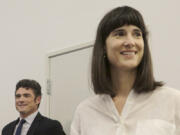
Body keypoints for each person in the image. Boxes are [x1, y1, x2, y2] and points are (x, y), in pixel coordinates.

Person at [70, 6, 180, 135]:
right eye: (120, 34)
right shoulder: (85, 111)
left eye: (137, 34)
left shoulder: (173, 102)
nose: (130, 42)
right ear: (104, 46)